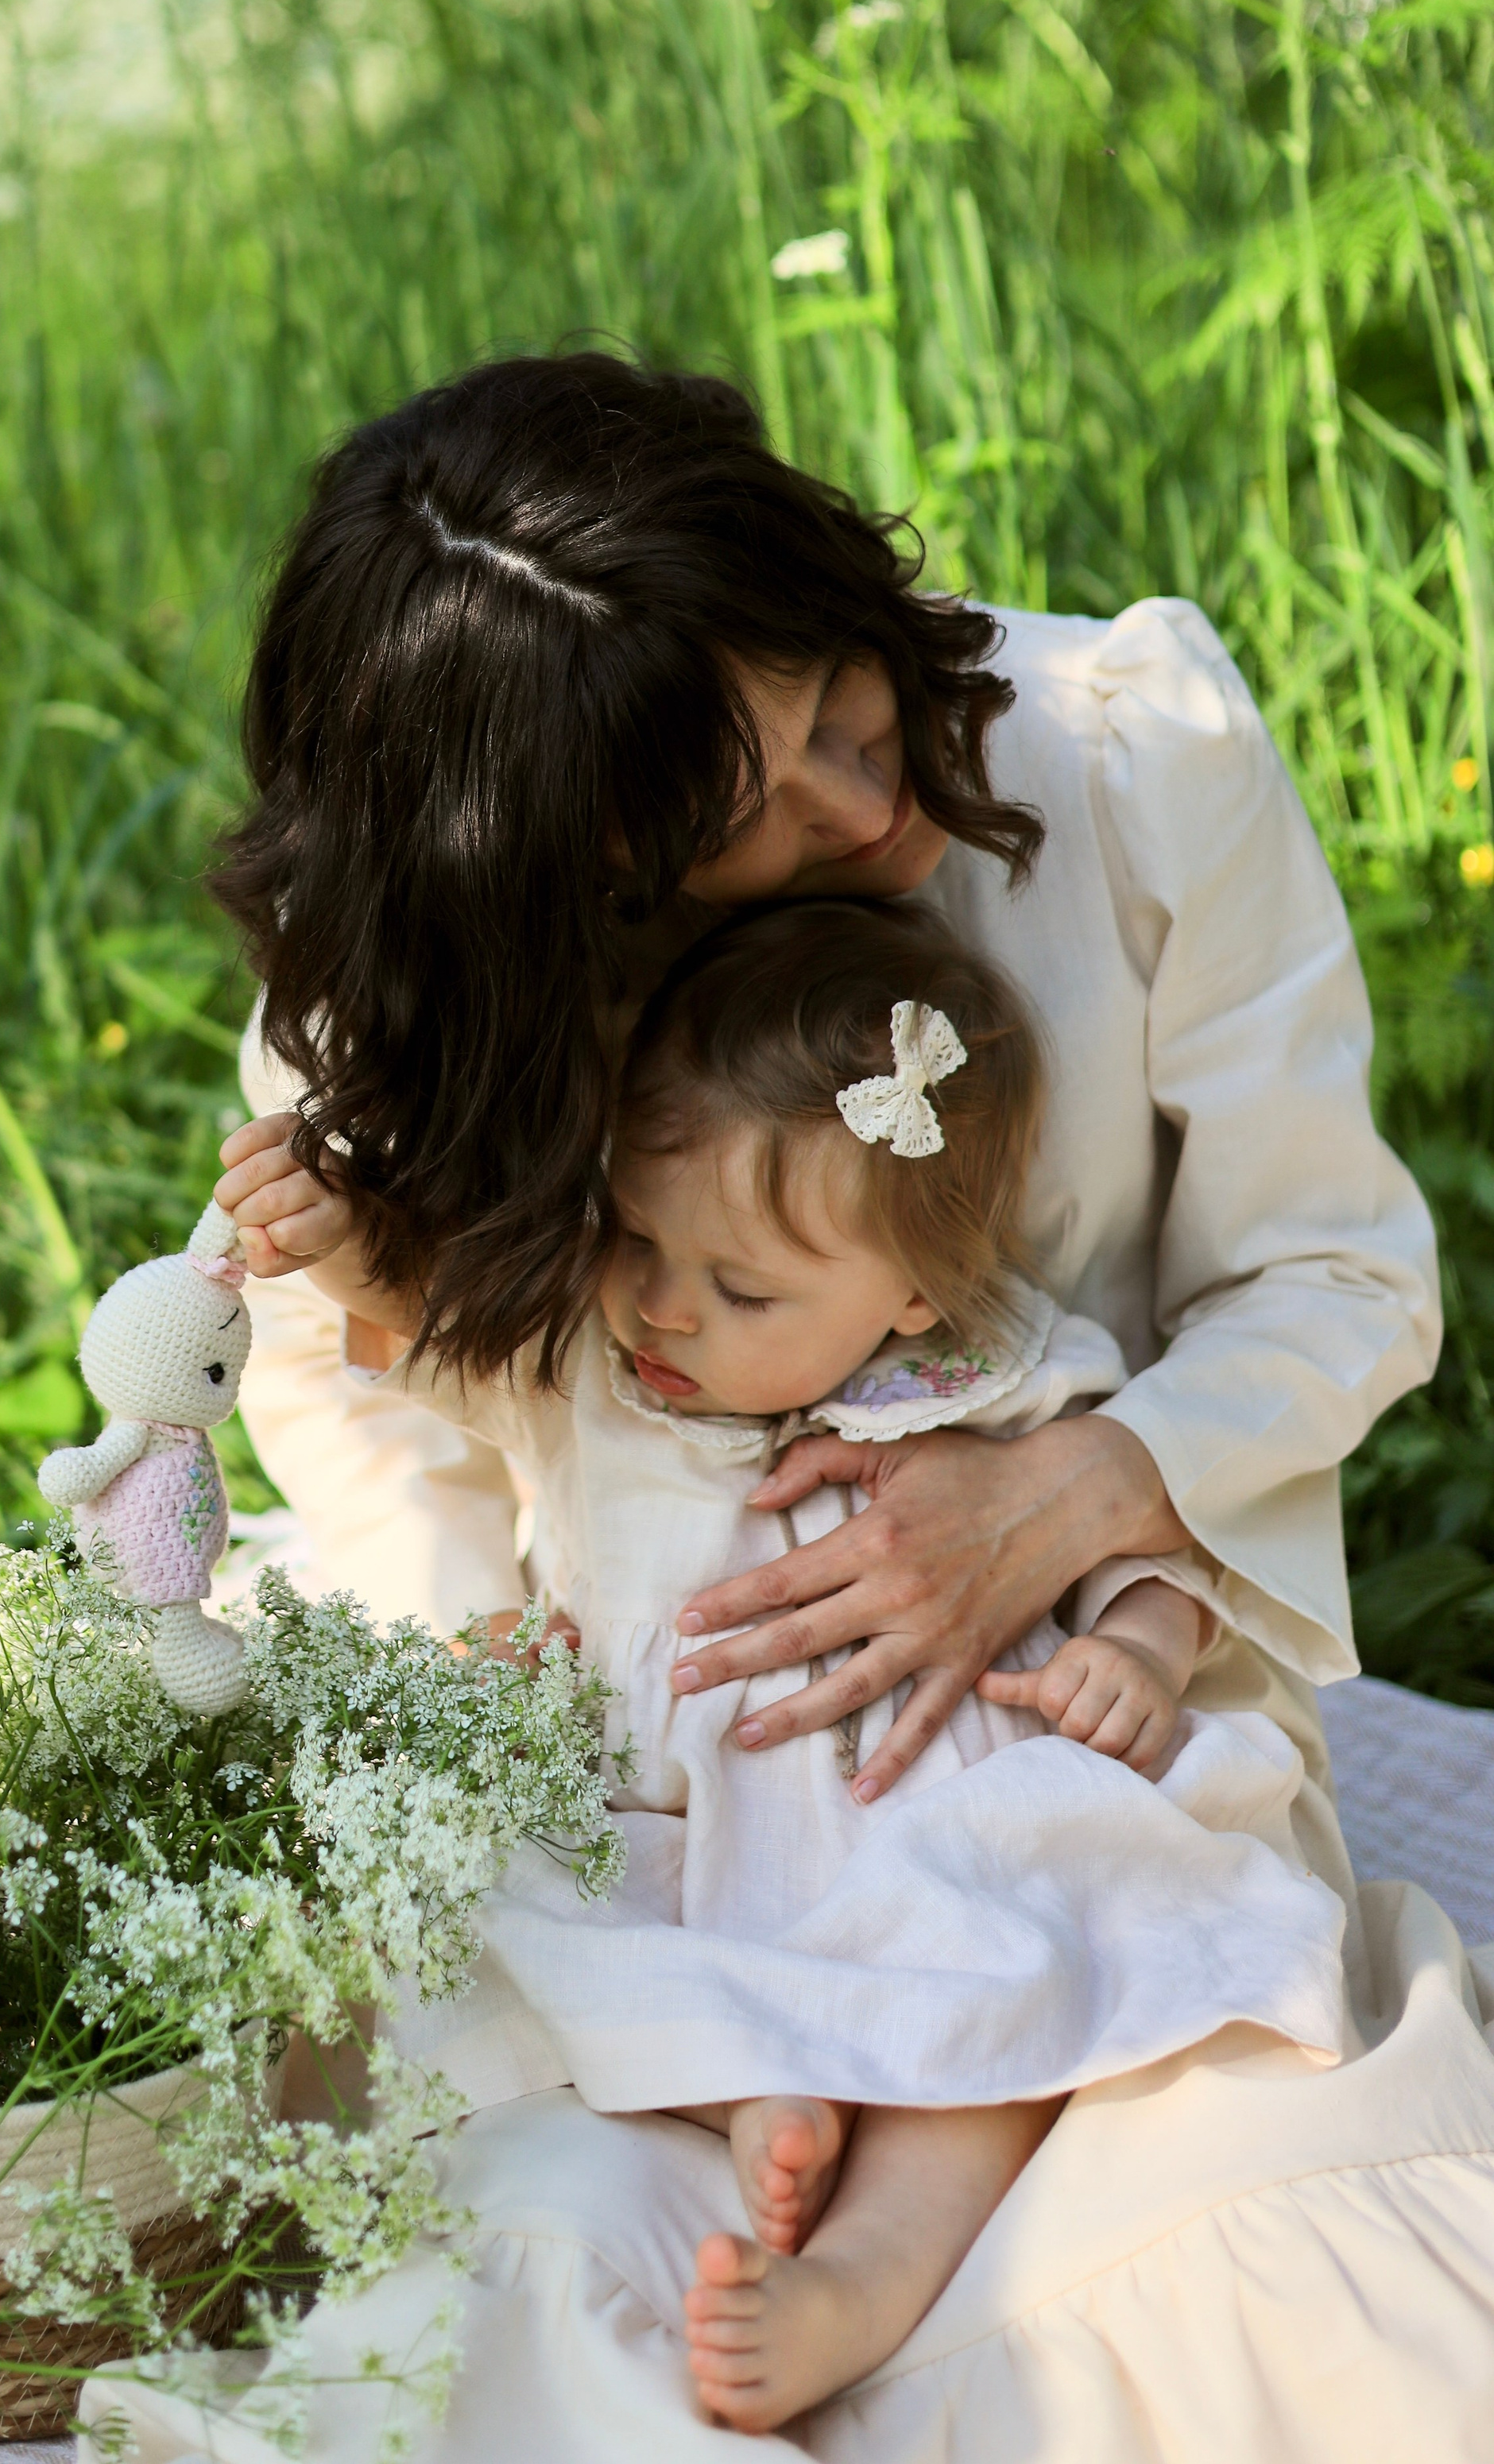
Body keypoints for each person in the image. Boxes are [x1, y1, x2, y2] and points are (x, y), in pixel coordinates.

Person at [211, 352, 1437, 1892]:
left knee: (1151, 2064)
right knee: (491, 2069)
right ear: (580, 879)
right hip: (636, 1706)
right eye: (744, 823)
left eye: (831, 696)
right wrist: (494, 1655)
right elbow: (360, 1382)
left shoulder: (1132, 754)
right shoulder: (450, 1000)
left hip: (1065, 1687)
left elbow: (1337, 1277)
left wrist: (1059, 1505)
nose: (861, 803)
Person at [217, 896, 1346, 2433]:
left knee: (1032, 1966)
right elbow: (426, 1326)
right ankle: (749, 2090)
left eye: (743, 1290)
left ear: (915, 1296)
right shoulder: (594, 1365)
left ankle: (862, 2280)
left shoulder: (1000, 1375)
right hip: (672, 1819)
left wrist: (1141, 1649)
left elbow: (1153, 1528)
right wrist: (342, 1243)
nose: (665, 1305)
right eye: (635, 1236)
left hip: (919, 1808)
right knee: (501, 1935)